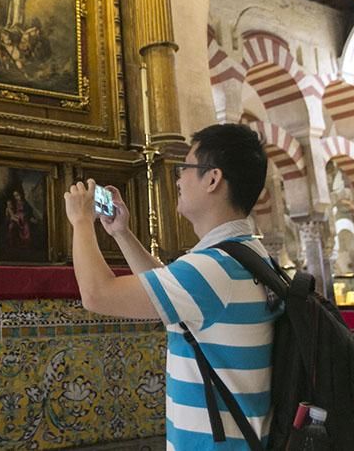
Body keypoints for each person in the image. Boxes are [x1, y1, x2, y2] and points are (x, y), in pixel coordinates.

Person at [65, 123, 279, 449]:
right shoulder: (244, 253)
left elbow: (97, 294)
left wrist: (81, 222)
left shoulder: (212, 269)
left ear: (212, 179)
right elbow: (172, 292)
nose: (178, 179)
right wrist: (121, 232)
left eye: (185, 168)